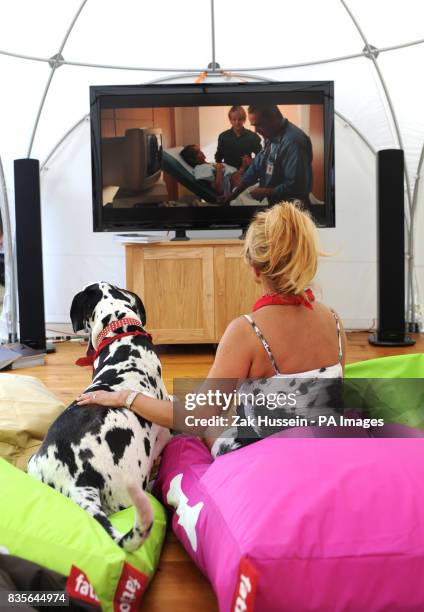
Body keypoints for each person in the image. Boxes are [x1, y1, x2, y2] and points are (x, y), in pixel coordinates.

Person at [77, 202, 346, 458]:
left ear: (255, 269)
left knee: (209, 425)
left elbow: (195, 418)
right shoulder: (334, 320)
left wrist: (126, 396)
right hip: (325, 447)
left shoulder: (247, 331)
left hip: (269, 463)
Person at [221, 105, 313, 206]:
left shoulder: (293, 143)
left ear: (273, 118)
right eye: (254, 126)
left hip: (291, 209)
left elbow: (297, 187)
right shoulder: (271, 134)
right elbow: (255, 167)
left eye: (259, 124)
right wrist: (233, 195)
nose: (256, 131)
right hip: (275, 204)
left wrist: (266, 191)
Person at [180, 144, 250, 195]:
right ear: (193, 159)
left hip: (241, 181)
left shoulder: (210, 164)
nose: (201, 152)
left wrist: (243, 166)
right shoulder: (200, 168)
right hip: (236, 189)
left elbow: (234, 174)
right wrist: (219, 170)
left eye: (200, 150)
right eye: (197, 153)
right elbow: (218, 189)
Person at [215, 106, 262, 170]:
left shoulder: (253, 136)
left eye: (239, 119)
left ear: (244, 119)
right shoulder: (223, 136)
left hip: (247, 173)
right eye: (234, 120)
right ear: (230, 120)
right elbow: (218, 157)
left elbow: (261, 156)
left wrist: (251, 161)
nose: (237, 122)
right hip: (228, 174)